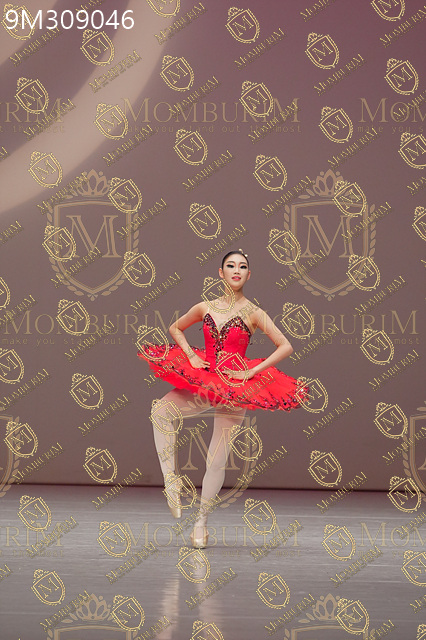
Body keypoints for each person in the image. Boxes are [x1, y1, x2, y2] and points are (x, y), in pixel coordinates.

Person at [137, 250, 309, 548]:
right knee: (161, 411)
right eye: (231, 265)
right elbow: (175, 327)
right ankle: (170, 481)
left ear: (248, 275)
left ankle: (201, 523)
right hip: (206, 380)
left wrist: (252, 371)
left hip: (236, 388)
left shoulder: (254, 312)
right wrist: (191, 355)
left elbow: (285, 346)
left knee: (216, 460)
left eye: (242, 266)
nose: (236, 270)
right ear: (221, 272)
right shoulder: (205, 307)